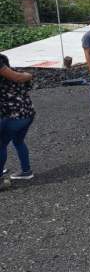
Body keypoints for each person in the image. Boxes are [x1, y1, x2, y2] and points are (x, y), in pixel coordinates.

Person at [0, 53, 35, 181]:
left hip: (13, 115)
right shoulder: (17, 74)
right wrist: (29, 75)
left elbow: (16, 78)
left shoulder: (11, 77)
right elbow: (24, 81)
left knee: (1, 144)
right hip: (27, 113)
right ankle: (26, 171)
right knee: (18, 141)